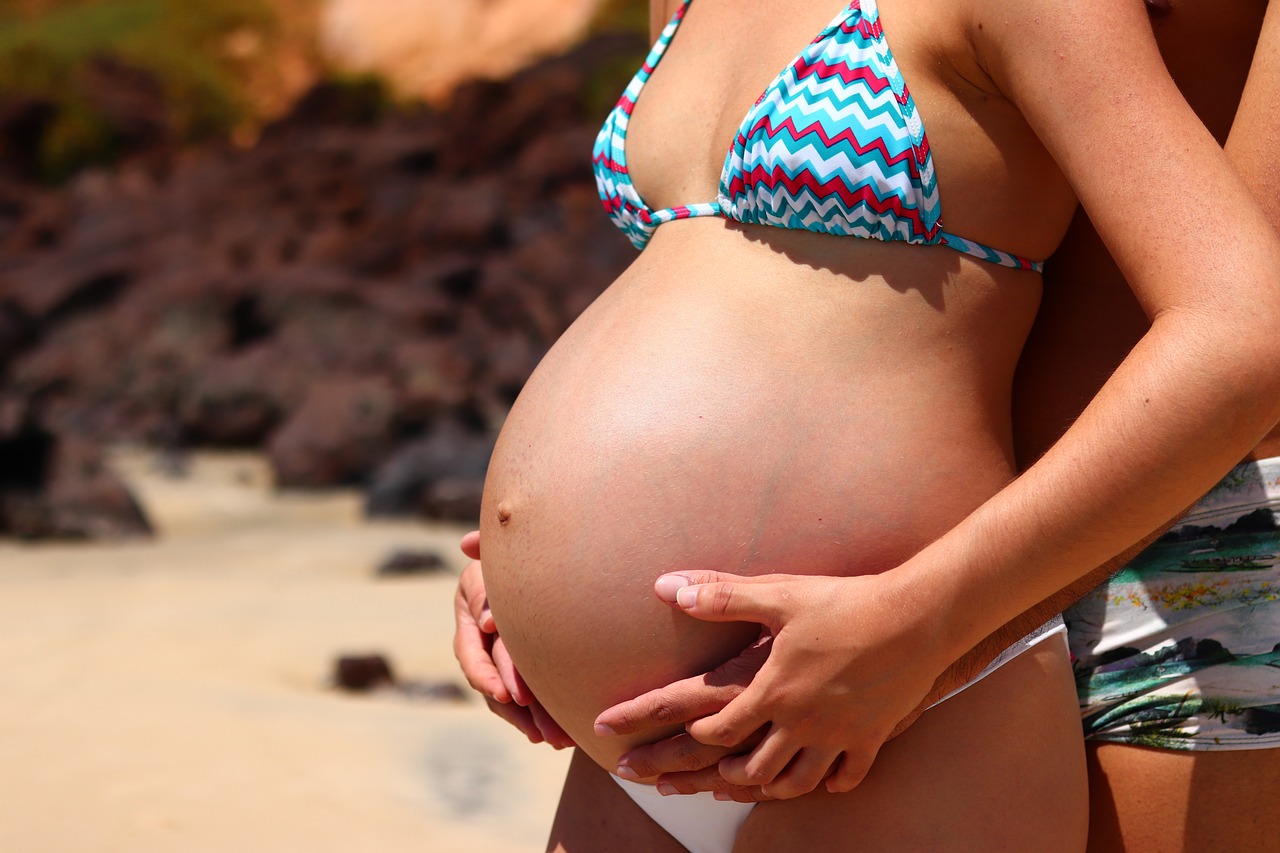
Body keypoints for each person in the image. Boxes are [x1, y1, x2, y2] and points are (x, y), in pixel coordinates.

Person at [456, 0, 1280, 849]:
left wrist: (915, 624)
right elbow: (699, 288)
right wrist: (520, 572)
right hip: (632, 746)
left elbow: (1244, 331)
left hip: (905, 700)